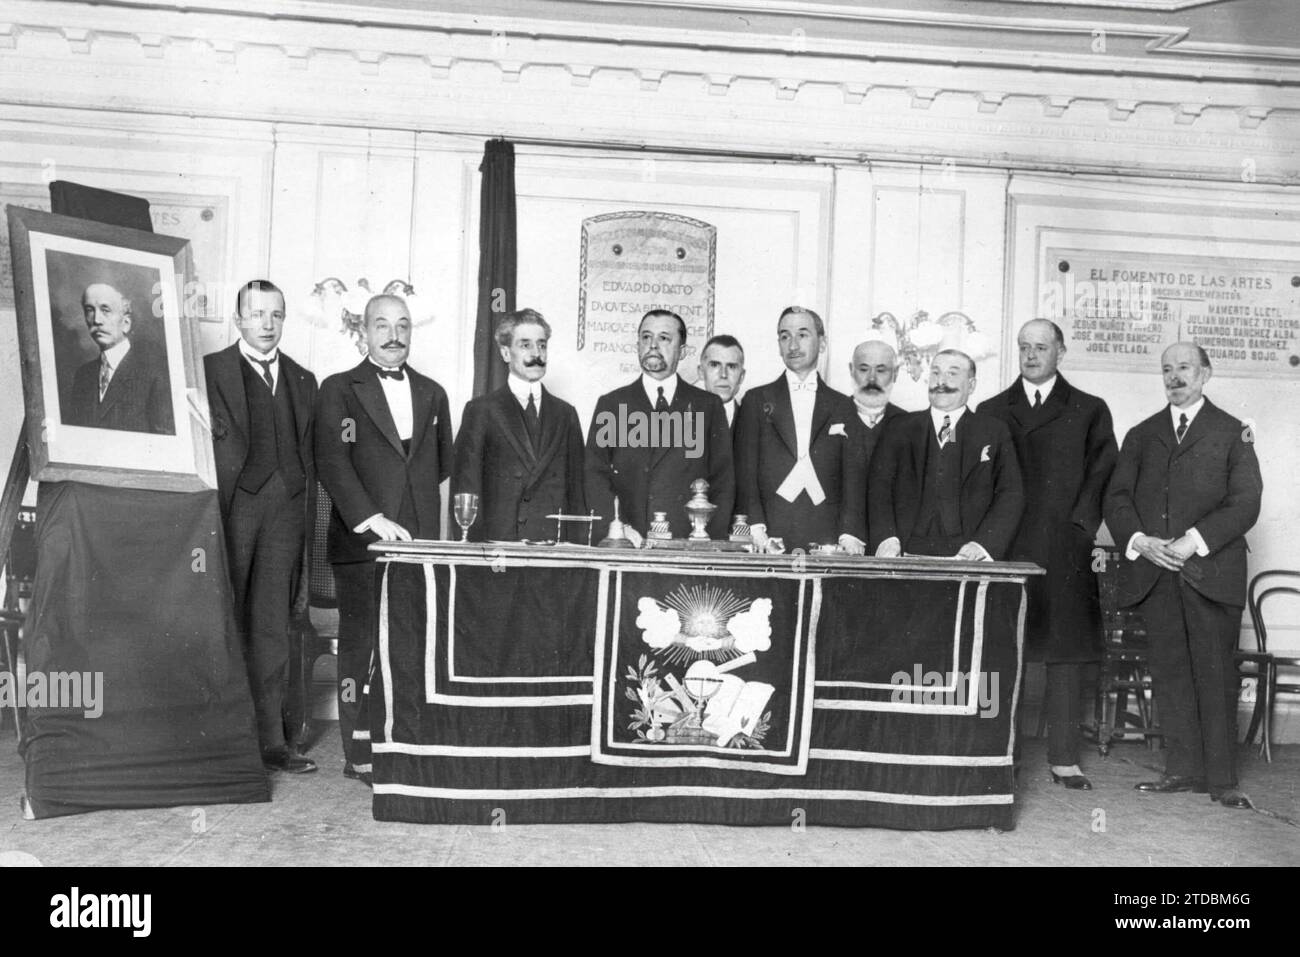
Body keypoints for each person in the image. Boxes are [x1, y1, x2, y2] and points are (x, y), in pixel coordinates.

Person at [1104, 342, 1262, 810]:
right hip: (1156, 573)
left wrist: (1194, 538)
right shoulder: (1141, 434)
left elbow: (1246, 502)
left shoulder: (1234, 432)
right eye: (1167, 370)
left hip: (1210, 572)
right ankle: (1182, 771)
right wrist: (1140, 541)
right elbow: (1117, 499)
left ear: (1206, 374)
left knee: (1215, 674)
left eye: (1185, 369)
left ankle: (1222, 780)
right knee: (1170, 672)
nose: (1175, 377)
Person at [315, 294, 453, 781]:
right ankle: (359, 754)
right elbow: (332, 461)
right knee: (360, 645)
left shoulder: (434, 393)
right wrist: (372, 518)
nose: (394, 335)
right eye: (382, 325)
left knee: (408, 645)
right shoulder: (338, 389)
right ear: (364, 334)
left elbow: (439, 467)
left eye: (402, 325)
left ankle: (400, 744)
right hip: (362, 543)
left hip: (417, 544)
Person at [978, 319, 1117, 790]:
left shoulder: (1090, 409)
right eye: (1024, 347)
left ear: (1061, 351)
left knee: (1065, 652)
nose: (1031, 355)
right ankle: (1001, 752)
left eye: (1041, 347)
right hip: (1009, 548)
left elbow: (1102, 476)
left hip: (1065, 549)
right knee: (1006, 650)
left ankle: (1064, 759)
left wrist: (1080, 530)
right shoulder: (992, 409)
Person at [205, 280, 318, 774]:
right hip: (233, 510)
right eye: (257, 314)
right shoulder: (209, 372)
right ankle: (222, 740)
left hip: (287, 510)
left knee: (273, 625)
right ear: (238, 320)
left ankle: (273, 741)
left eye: (276, 314)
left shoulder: (302, 378)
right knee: (222, 619)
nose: (267, 324)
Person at [585, 309, 734, 544]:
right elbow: (595, 475)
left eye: (664, 338)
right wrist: (619, 529)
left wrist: (707, 543)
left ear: (682, 351)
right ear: (637, 345)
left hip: (688, 545)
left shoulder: (708, 406)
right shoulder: (612, 404)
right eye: (646, 337)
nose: (653, 345)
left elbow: (723, 481)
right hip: (627, 542)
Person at [734, 306, 866, 553]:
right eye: (785, 336)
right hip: (771, 534)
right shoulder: (756, 400)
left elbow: (853, 477)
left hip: (827, 535)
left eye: (802, 335)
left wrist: (849, 533)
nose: (793, 345)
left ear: (822, 342)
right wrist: (756, 528)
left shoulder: (843, 405)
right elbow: (746, 472)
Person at [869, 349, 1023, 560]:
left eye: (952, 373)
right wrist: (887, 538)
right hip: (905, 553)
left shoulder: (994, 431)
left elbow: (1011, 494)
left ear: (971, 385)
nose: (941, 381)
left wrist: (983, 545)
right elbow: (879, 488)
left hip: (966, 557)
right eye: (935, 372)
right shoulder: (899, 428)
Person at [453, 308, 586, 542]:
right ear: (505, 353)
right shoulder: (481, 411)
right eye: (525, 345)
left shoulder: (566, 414)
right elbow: (466, 491)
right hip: (499, 549)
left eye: (542, 345)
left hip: (553, 550)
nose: (537, 353)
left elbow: (578, 494)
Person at [66, 281, 174, 434]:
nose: (96, 319)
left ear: (126, 323)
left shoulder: (155, 373)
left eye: (105, 310)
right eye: (89, 310)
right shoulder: (83, 375)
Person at [849, 339, 906, 467]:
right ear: (851, 370)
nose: (872, 378)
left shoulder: (908, 424)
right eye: (864, 369)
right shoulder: (830, 417)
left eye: (881, 370)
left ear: (895, 373)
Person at [698, 334, 746, 433]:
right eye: (714, 365)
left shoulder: (755, 423)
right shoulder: (681, 421)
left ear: (742, 376)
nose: (723, 374)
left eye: (732, 367)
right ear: (701, 372)